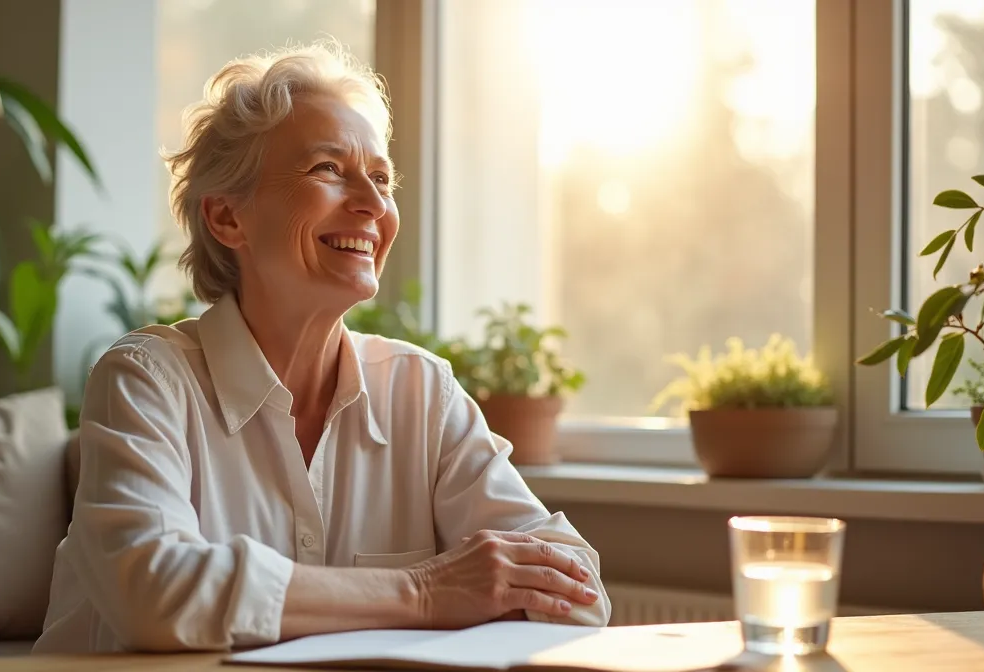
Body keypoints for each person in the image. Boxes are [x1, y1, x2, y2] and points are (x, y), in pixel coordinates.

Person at [33, 40, 611, 655]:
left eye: (382, 178)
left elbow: (577, 591)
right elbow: (153, 591)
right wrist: (423, 592)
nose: (374, 204)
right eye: (328, 169)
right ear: (227, 218)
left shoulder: (422, 392)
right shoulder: (146, 379)